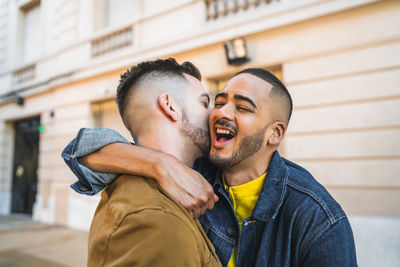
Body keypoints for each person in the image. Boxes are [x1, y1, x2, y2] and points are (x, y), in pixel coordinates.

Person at [63, 65, 358, 266]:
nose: (221, 113)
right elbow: (79, 152)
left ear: (275, 133)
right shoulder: (194, 168)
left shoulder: (318, 219)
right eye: (217, 102)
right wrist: (160, 165)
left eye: (243, 107)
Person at [66, 58, 221, 266]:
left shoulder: (135, 185)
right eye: (204, 103)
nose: (213, 114)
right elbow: (77, 151)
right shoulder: (156, 221)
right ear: (170, 106)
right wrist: (160, 164)